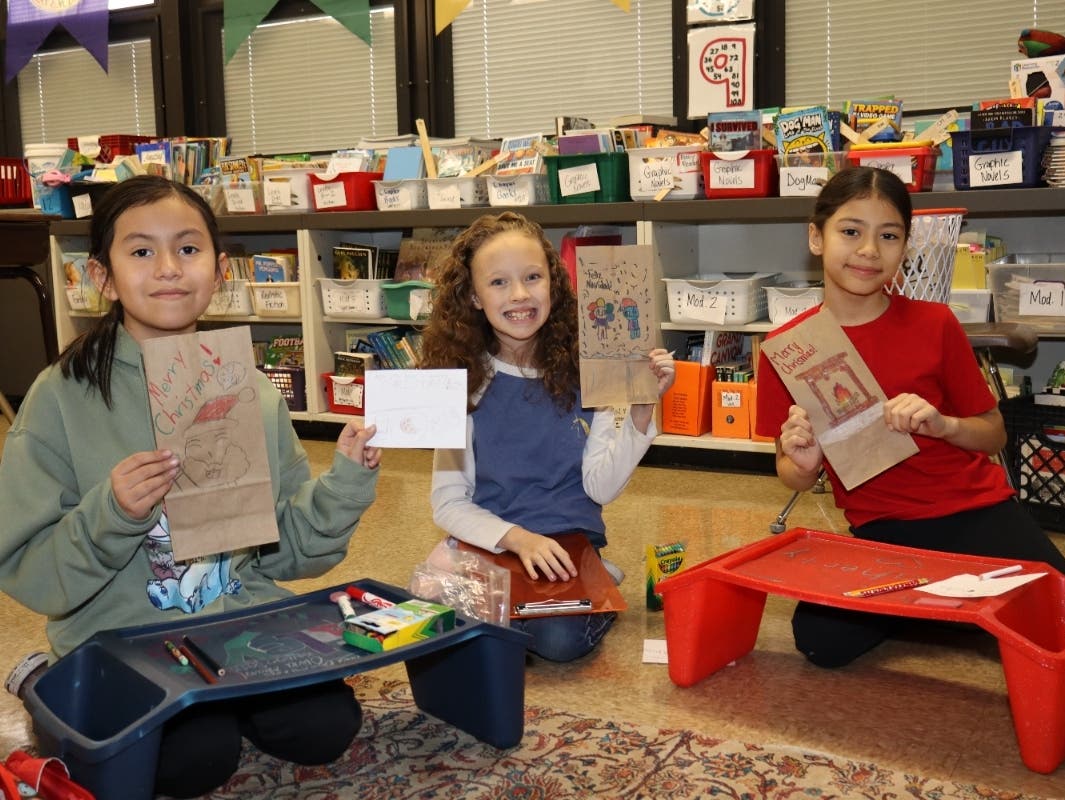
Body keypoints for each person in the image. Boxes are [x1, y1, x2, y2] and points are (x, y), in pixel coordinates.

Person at [0, 175, 382, 798]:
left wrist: (345, 479)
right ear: (102, 276)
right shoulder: (61, 396)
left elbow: (287, 549)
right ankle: (47, 681)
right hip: (122, 633)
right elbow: (25, 567)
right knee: (195, 759)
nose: (169, 270)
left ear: (220, 267)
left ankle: (210, 699)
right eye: (141, 251)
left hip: (234, 620)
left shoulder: (248, 388)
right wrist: (113, 512)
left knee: (325, 727)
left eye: (188, 248)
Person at [754, 166, 1065, 669]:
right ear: (816, 237)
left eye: (889, 236)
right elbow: (790, 472)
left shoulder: (933, 323)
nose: (869, 251)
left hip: (974, 511)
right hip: (883, 529)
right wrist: (803, 460)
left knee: (1060, 610)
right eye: (850, 231)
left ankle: (944, 604)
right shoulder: (788, 351)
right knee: (819, 640)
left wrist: (943, 425)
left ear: (905, 247)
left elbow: (993, 433)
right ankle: (955, 605)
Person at [420, 211, 675, 663]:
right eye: (498, 283)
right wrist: (518, 539)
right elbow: (449, 502)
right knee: (445, 620)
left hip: (568, 547)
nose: (519, 295)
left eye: (533, 277)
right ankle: (526, 609)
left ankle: (598, 580)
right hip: (494, 543)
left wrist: (640, 410)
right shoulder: (462, 382)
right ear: (474, 297)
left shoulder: (589, 369)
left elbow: (600, 487)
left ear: (554, 285)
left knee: (558, 642)